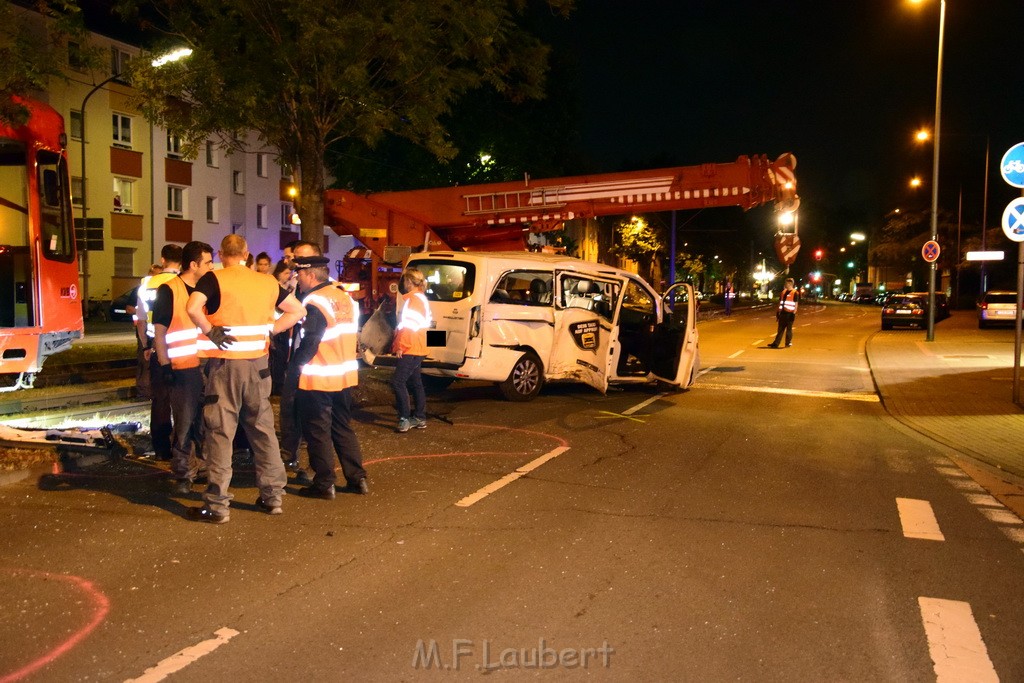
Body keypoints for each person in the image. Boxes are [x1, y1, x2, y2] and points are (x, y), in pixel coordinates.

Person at [185, 234, 306, 523]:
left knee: (220, 432)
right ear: (247, 253)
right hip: (259, 367)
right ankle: (272, 496)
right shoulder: (266, 282)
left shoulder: (215, 279)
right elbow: (298, 311)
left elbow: (192, 308)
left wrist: (209, 330)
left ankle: (217, 505)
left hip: (226, 367)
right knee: (262, 429)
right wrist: (272, 331)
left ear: (220, 253)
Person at [290, 255, 367, 499]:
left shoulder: (315, 301)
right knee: (342, 427)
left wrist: (295, 366)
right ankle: (358, 479)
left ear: (311, 275)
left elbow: (311, 340)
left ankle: (324, 483)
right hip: (343, 375)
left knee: (317, 431)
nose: (297, 279)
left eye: (299, 274)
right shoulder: (342, 296)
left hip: (319, 376)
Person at [151, 241, 215, 494]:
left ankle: (201, 467)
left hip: (207, 364)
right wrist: (164, 363)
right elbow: (159, 330)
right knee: (185, 422)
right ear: (193, 265)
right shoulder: (170, 290)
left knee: (205, 422)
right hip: (182, 367)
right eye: (208, 262)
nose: (211, 267)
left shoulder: (206, 289)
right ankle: (183, 473)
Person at [136, 246, 183, 460]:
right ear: (181, 262)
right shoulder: (182, 283)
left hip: (157, 346)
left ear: (162, 260)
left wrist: (146, 346)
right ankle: (182, 446)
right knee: (183, 400)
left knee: (160, 399)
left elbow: (141, 320)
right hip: (182, 346)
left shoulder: (147, 284)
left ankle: (161, 448)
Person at [391, 267, 432, 433]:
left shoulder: (412, 301)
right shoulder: (421, 298)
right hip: (420, 345)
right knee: (416, 382)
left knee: (398, 381)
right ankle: (420, 417)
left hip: (411, 346)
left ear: (408, 282)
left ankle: (404, 418)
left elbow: (408, 327)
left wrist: (400, 346)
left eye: (404, 280)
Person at [768, 277, 799, 348]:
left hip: (790, 313)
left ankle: (788, 343)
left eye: (786, 283)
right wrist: (778, 312)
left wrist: (794, 313)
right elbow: (780, 302)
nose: (785, 284)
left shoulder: (795, 293)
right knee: (780, 329)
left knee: (788, 329)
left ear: (790, 284)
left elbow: (796, 304)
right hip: (782, 313)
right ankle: (776, 343)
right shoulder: (783, 292)